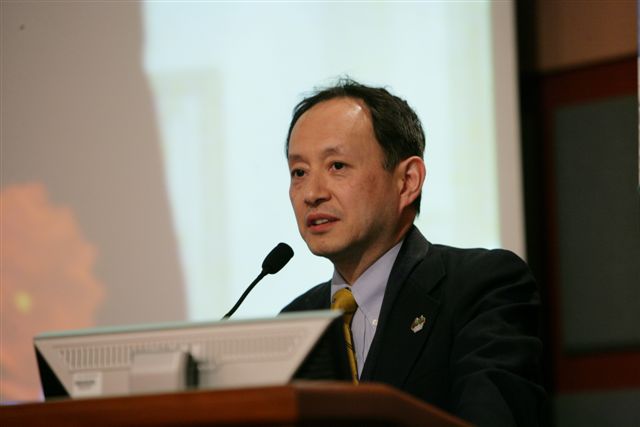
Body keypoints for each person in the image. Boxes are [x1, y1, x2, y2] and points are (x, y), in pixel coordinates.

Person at [281, 79, 545, 427]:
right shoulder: (295, 320)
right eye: (299, 172)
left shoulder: (482, 286)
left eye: (337, 166)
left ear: (407, 181)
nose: (311, 193)